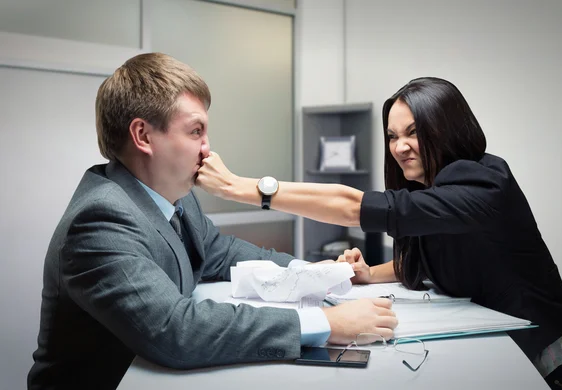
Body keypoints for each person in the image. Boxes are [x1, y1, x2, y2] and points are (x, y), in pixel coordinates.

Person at [197, 77, 562, 389]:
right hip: (501, 345)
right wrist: (371, 273)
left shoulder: (484, 181)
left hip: (556, 363)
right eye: (392, 136)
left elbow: (352, 206)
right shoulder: (431, 188)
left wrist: (240, 188)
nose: (400, 146)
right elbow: (431, 255)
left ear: (448, 128)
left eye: (413, 133)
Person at [27, 53, 398, 390]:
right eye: (195, 131)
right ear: (143, 136)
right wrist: (326, 324)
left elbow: (221, 252)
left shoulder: (175, 195)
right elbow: (176, 331)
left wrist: (315, 274)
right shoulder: (100, 219)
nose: (208, 149)